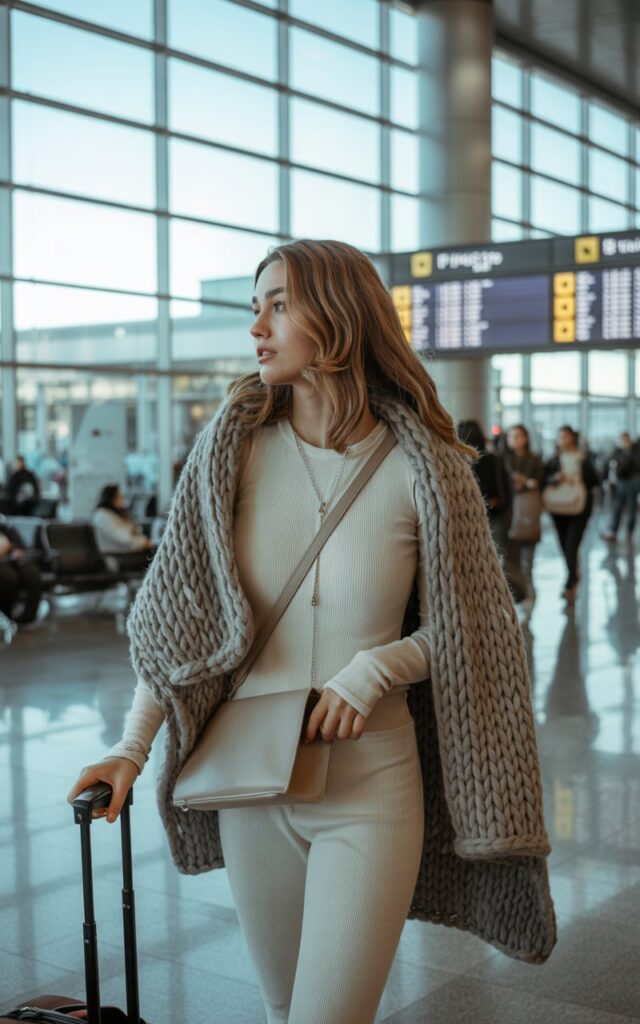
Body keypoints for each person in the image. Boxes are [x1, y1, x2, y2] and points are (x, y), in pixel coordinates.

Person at [68, 239, 555, 1023]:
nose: (256, 326)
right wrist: (130, 750)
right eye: (254, 307)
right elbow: (175, 626)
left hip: (372, 788)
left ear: (338, 316)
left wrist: (377, 669)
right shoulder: (231, 452)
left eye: (279, 304)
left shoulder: (425, 466)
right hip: (252, 784)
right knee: (281, 1009)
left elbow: (477, 634)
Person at [544, 425, 599, 604]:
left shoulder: (583, 458)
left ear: (573, 438)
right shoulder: (553, 459)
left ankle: (570, 582)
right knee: (563, 543)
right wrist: (556, 478)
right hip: (558, 507)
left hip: (580, 507)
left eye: (566, 436)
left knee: (571, 545)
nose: (563, 440)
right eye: (560, 436)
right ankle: (572, 571)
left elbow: (595, 481)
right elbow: (544, 479)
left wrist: (581, 473)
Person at [503, 424, 545, 610]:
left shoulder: (534, 460)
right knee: (511, 556)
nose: (514, 440)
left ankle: (528, 589)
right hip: (509, 514)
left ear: (526, 438)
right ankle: (518, 591)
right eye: (511, 436)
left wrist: (525, 482)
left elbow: (540, 483)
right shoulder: (503, 460)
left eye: (518, 436)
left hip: (528, 511)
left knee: (528, 555)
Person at [457, 419, 512, 555]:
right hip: (495, 511)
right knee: (497, 554)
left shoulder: (458, 461)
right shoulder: (494, 459)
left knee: (472, 554)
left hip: (467, 514)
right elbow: (506, 487)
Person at [92, 484, 155, 556]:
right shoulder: (102, 515)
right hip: (116, 554)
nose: (123, 499)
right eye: (120, 496)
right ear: (111, 498)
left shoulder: (118, 513)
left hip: (129, 551)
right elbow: (124, 538)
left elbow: (137, 530)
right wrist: (143, 542)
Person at [600, 431, 640, 543]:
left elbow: (636, 464)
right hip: (621, 482)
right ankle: (613, 530)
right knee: (617, 507)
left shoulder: (635, 451)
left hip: (633, 482)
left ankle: (630, 531)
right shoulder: (617, 451)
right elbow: (609, 463)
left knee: (632, 507)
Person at [0, 524, 43, 626]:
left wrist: (15, 550)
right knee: (9, 578)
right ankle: (7, 615)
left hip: (14, 558)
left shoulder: (7, 529)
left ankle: (27, 618)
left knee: (32, 575)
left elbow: (21, 549)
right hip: (3, 563)